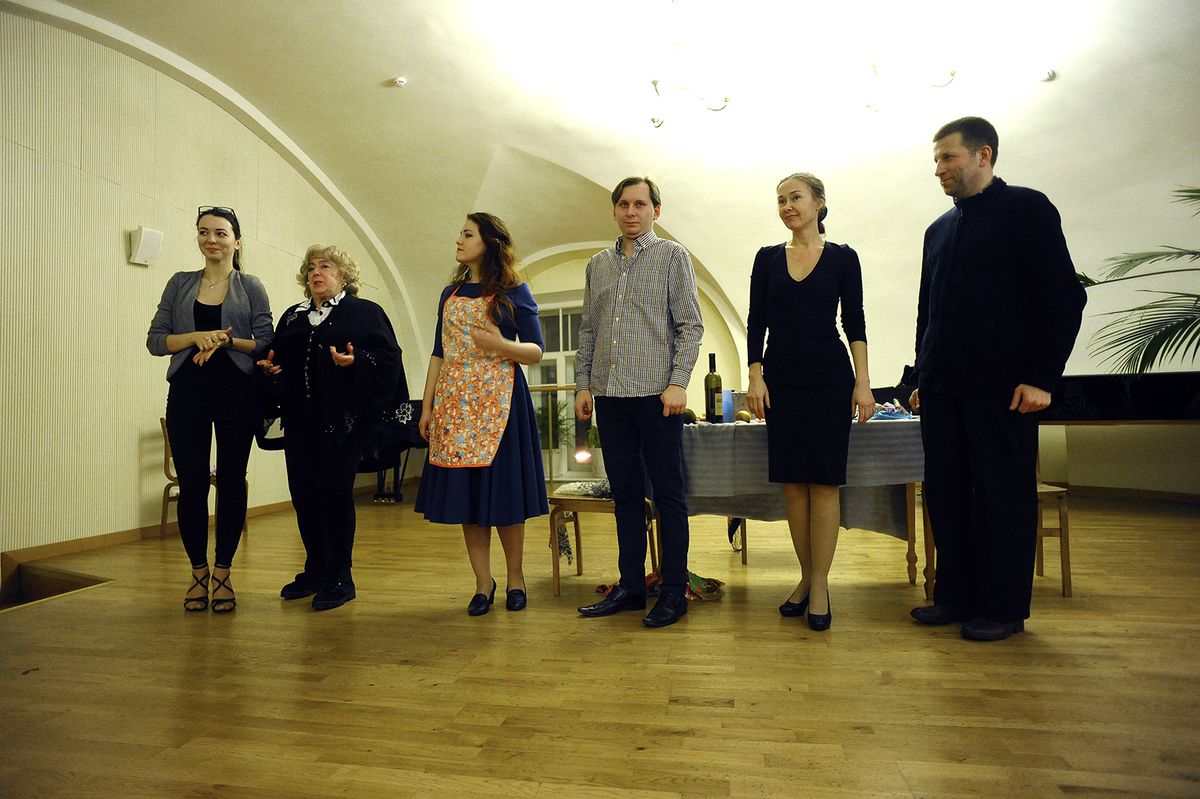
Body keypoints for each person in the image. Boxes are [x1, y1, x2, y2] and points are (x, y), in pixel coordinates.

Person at [909, 117, 1086, 641]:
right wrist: (922, 375)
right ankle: (955, 596)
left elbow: (1063, 296)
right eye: (936, 160)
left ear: (983, 155)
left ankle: (1003, 608)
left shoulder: (1027, 208)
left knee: (1001, 497)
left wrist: (1041, 377)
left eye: (948, 157)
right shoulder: (938, 230)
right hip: (941, 390)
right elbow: (928, 314)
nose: (938, 169)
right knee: (946, 495)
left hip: (1004, 390)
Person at [746, 173, 875, 632]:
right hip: (781, 381)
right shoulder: (766, 258)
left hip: (829, 379)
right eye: (781, 199)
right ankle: (806, 576)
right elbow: (756, 321)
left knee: (823, 483)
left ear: (819, 202)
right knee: (792, 486)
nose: (787, 206)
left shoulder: (843, 257)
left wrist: (863, 383)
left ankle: (819, 584)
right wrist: (755, 375)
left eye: (795, 197)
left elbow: (855, 321)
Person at [574, 177, 704, 628]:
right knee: (625, 495)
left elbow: (690, 325)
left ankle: (673, 593)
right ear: (614, 210)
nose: (632, 212)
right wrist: (583, 385)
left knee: (668, 495)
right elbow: (588, 329)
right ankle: (631, 587)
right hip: (610, 397)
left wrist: (678, 382)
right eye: (624, 204)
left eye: (641, 204)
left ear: (656, 211)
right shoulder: (598, 265)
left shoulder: (673, 256)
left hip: (658, 397)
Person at [415, 213, 548, 616]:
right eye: (460, 233)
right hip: (455, 405)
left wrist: (501, 345)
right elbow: (438, 353)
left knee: (505, 497)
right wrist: (427, 406)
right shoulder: (450, 293)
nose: (458, 240)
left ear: (489, 242)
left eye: (467, 234)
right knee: (468, 500)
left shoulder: (514, 290)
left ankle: (516, 579)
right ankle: (482, 583)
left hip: (500, 404)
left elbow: (536, 351)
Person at [257, 245, 403, 611]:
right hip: (300, 422)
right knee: (304, 495)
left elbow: (389, 360)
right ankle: (316, 569)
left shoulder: (365, 312)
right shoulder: (293, 316)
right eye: (310, 268)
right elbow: (279, 359)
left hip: (344, 424)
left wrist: (358, 360)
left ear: (344, 275)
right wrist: (273, 371)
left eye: (325, 266)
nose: (315, 273)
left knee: (335, 494)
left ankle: (340, 575)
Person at [146, 206, 274, 613]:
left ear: (237, 241)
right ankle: (198, 573)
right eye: (204, 232)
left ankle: (223, 573)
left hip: (237, 393)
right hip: (188, 393)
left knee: (232, 481)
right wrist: (196, 336)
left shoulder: (250, 285)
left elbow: (266, 342)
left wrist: (226, 341)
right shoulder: (180, 283)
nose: (211, 240)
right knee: (193, 483)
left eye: (220, 233)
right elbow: (155, 341)